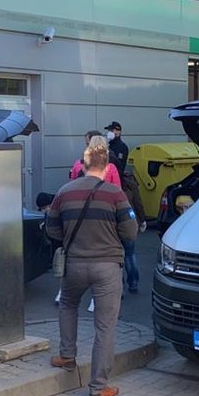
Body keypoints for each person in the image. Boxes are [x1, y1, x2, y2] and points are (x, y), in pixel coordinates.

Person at [46, 136, 138, 396]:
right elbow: (130, 232)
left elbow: (52, 229)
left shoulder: (64, 191)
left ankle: (67, 356)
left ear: (83, 165)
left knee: (67, 305)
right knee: (105, 326)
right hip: (107, 268)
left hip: (74, 264)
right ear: (106, 165)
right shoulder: (115, 194)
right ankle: (98, 387)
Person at [58, 130, 121, 310]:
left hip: (78, 229)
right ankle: (97, 299)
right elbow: (118, 191)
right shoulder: (112, 169)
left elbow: (70, 185)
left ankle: (61, 292)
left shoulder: (78, 166)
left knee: (68, 304)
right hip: (104, 223)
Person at [119, 165, 147, 294]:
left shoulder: (107, 185)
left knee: (116, 256)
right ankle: (133, 282)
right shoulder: (130, 183)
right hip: (130, 222)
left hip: (115, 224)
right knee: (130, 253)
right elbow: (138, 203)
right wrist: (142, 220)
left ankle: (120, 286)